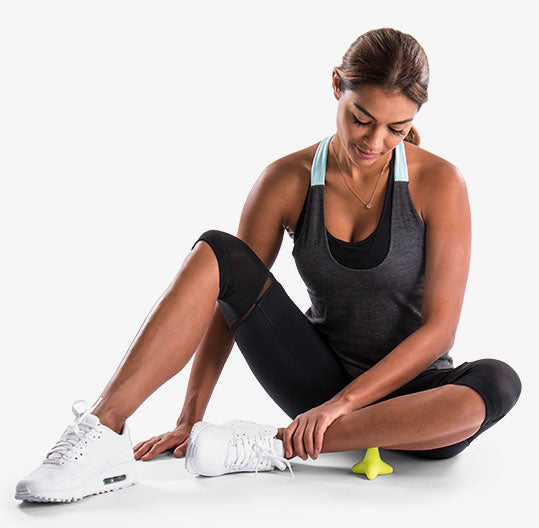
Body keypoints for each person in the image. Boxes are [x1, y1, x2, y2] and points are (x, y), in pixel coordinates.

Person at [15, 27, 522, 502]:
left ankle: (271, 444)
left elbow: (439, 330)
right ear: (336, 87)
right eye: (361, 119)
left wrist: (341, 407)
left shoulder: (440, 184)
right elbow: (230, 298)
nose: (374, 142)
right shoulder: (286, 179)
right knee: (218, 250)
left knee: (498, 383)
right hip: (317, 381)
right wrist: (192, 417)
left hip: (413, 400)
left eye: (397, 129)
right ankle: (103, 431)